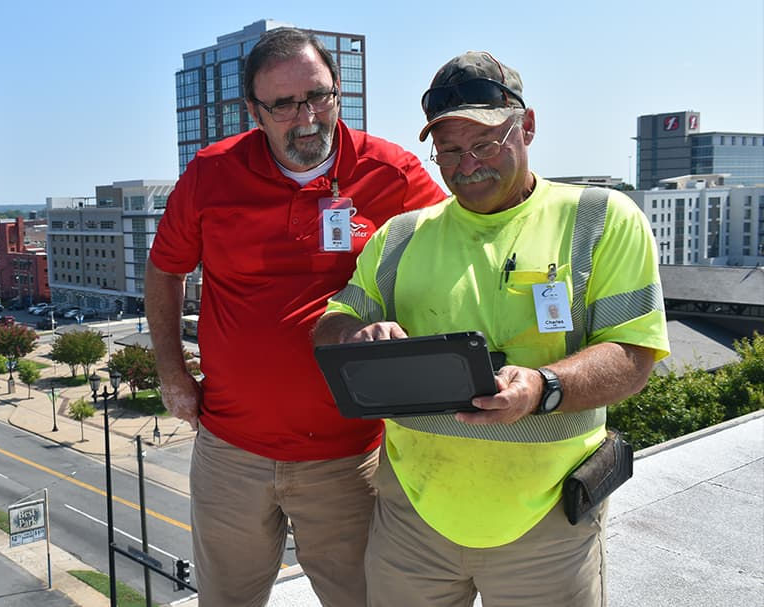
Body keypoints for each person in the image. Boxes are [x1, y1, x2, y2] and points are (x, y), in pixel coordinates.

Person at [313, 51, 670, 607]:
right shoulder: (400, 236)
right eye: (449, 151)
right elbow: (330, 323)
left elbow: (632, 356)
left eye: (484, 144)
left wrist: (543, 387)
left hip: (548, 522)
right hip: (413, 518)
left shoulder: (601, 217)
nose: (466, 164)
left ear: (526, 126)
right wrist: (354, 336)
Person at [145, 28, 444, 607]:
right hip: (230, 450)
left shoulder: (393, 172)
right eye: (283, 104)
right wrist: (171, 371)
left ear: (338, 92)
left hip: (350, 454)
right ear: (253, 111)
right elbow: (164, 269)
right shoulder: (212, 173)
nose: (305, 117)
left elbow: (459, 254)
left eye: (318, 95)